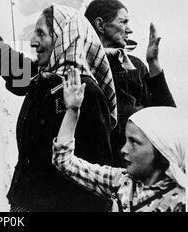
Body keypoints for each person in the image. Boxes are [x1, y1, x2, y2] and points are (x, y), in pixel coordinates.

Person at [0, 0, 117, 211]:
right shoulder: (42, 76)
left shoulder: (86, 92)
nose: (33, 41)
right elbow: (8, 62)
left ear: (64, 39)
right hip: (27, 201)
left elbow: (98, 175)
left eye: (41, 34)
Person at [52, 67, 185, 212]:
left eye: (134, 142)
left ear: (162, 150)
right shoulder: (121, 180)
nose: (124, 150)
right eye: (126, 140)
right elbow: (64, 162)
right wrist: (72, 111)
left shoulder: (180, 201)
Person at [84, 0, 175, 165]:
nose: (129, 30)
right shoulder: (82, 67)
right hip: (94, 171)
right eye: (123, 22)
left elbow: (165, 117)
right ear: (100, 25)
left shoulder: (135, 67)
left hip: (129, 167)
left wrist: (153, 63)